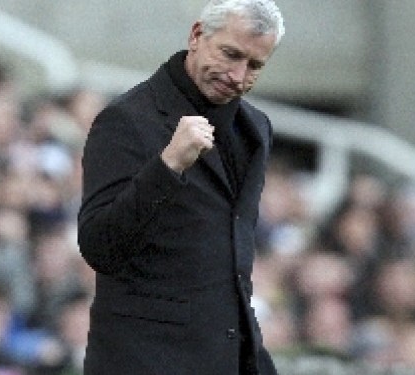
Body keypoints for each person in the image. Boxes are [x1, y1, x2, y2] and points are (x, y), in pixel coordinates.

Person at [77, 1, 284, 374]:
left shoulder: (256, 128)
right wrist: (168, 165)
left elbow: (230, 261)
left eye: (254, 65)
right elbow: (99, 247)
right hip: (143, 361)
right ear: (196, 35)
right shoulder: (125, 120)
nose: (238, 76)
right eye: (230, 54)